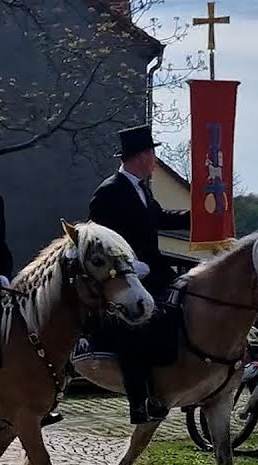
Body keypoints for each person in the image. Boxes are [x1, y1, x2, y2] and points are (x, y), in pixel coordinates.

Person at [88, 124, 190, 424]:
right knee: (135, 331)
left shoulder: (142, 189)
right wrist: (130, 265)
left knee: (189, 299)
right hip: (123, 278)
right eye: (152, 154)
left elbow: (158, 219)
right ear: (141, 156)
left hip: (152, 270)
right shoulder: (109, 192)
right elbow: (101, 241)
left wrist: (197, 214)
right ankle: (139, 400)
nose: (156, 161)